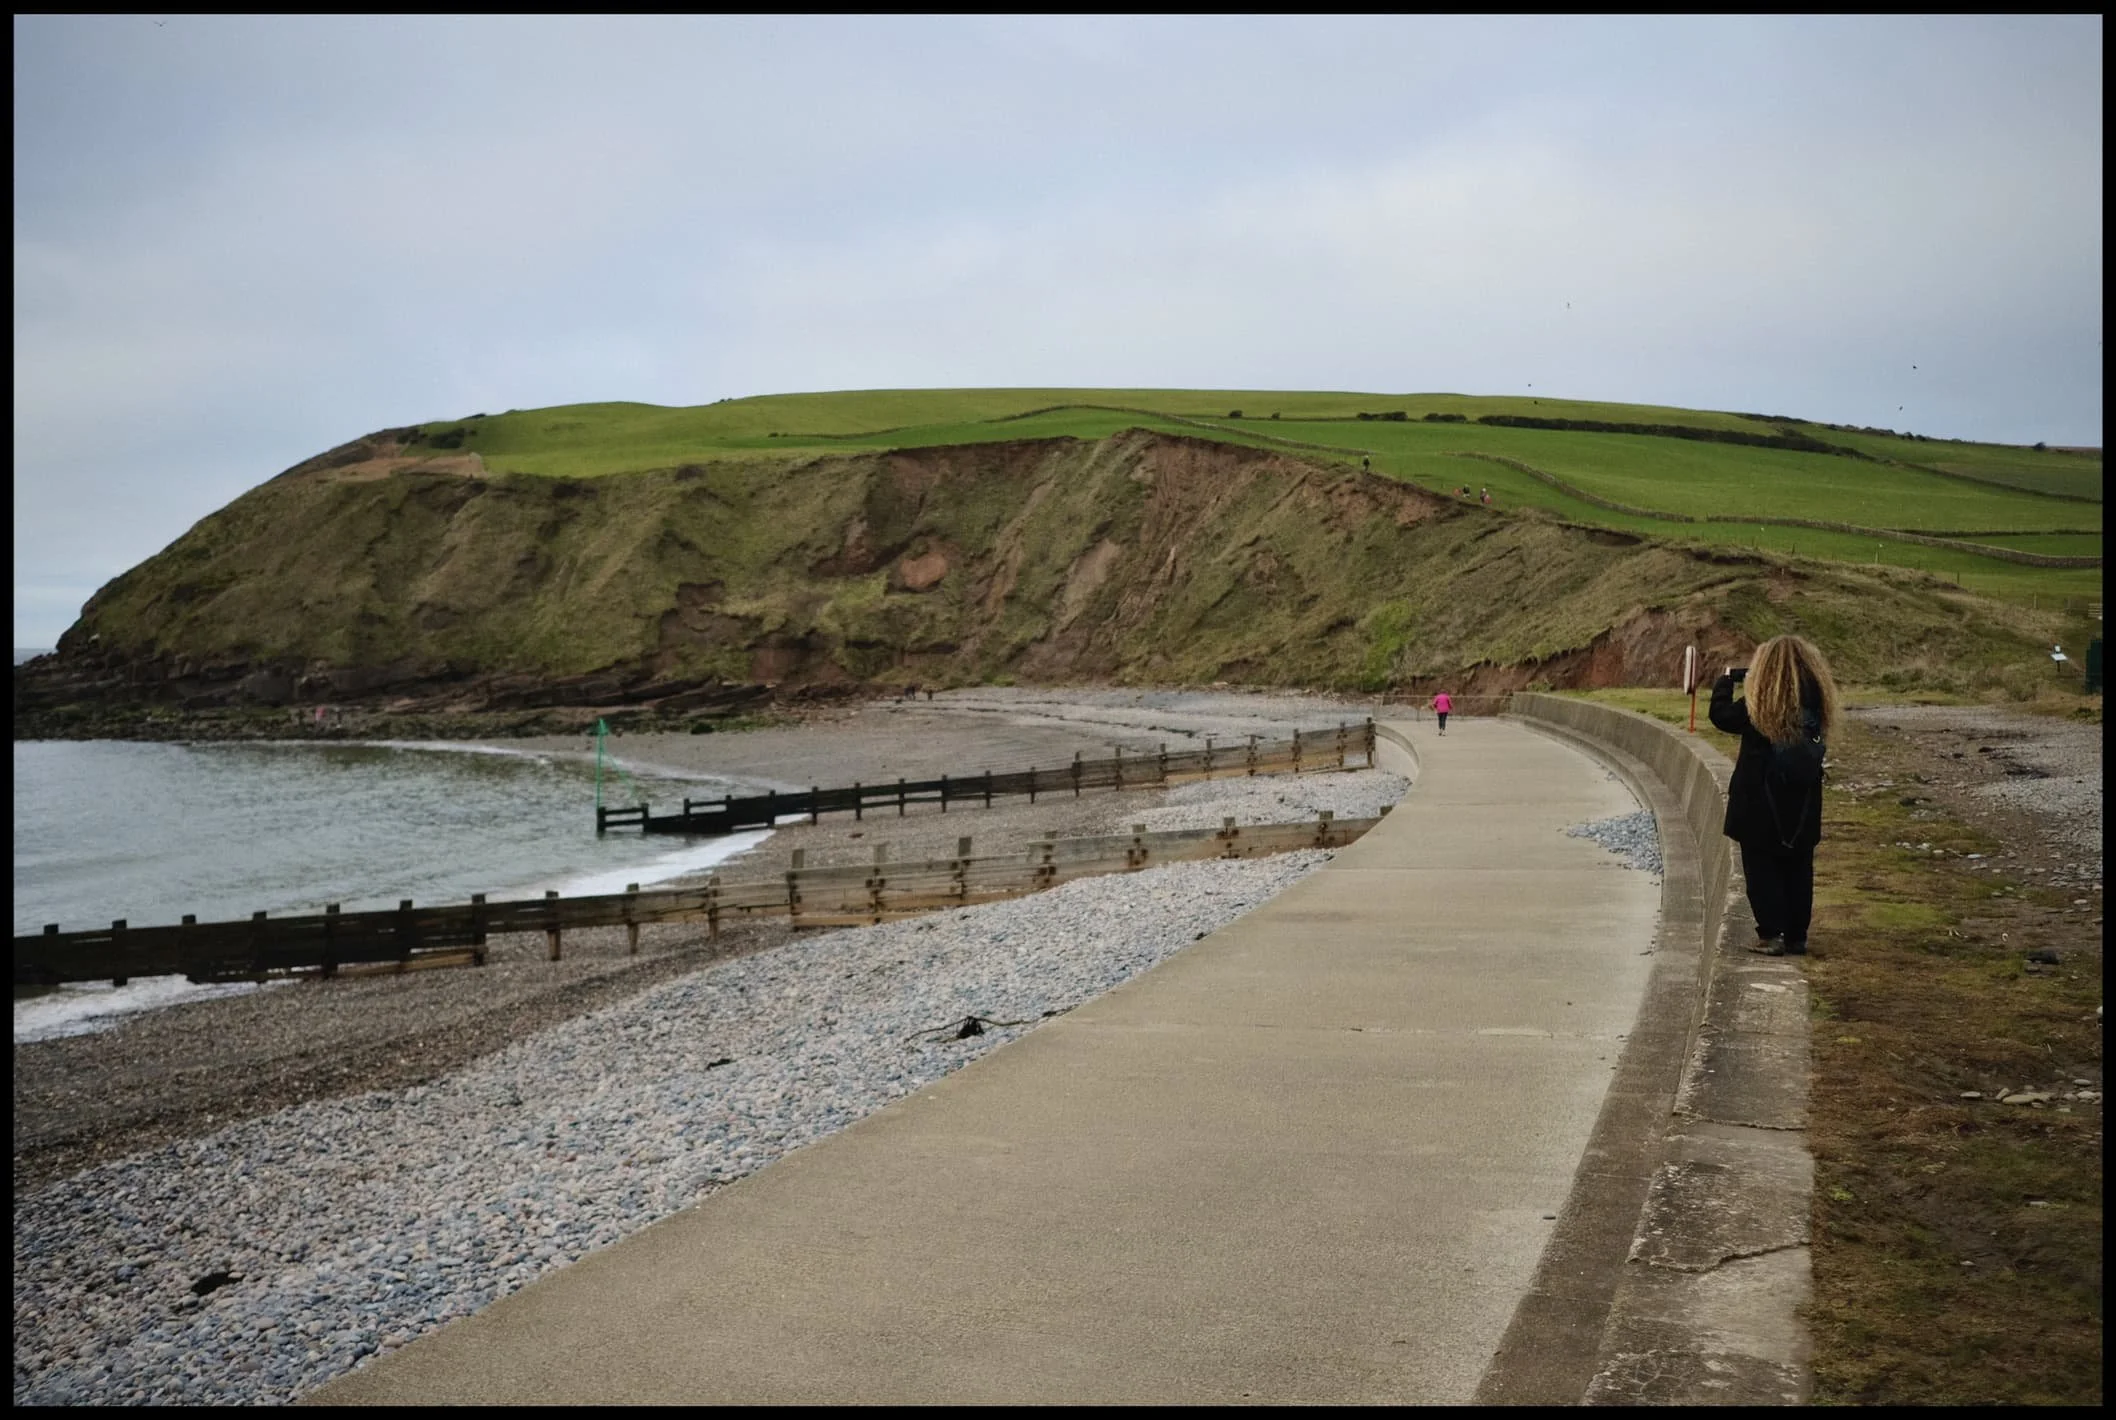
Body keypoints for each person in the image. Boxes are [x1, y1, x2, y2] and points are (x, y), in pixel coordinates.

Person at [1709, 635, 1840, 957]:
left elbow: (1722, 716)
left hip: (1759, 799)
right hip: (1803, 799)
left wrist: (1726, 680)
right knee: (1799, 866)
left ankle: (1771, 934)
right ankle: (1797, 936)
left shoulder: (1759, 702)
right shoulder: (1816, 696)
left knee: (1761, 866)